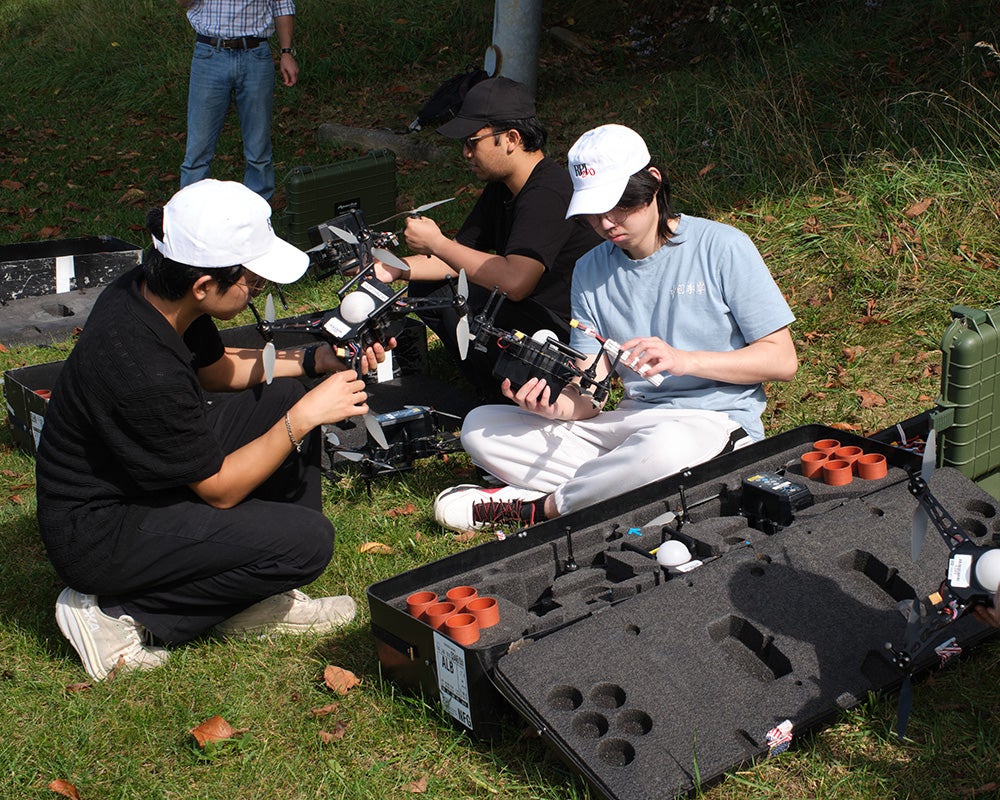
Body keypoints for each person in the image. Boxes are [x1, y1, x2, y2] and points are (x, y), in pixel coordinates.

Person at [35, 180, 388, 681]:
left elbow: (216, 369)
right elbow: (220, 490)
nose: (257, 291)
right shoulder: (141, 366)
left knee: (285, 396)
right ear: (203, 285)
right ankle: (119, 615)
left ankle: (249, 590)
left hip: (136, 482)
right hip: (99, 533)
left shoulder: (154, 295)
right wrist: (306, 416)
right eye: (252, 282)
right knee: (308, 542)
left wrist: (314, 360)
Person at [433, 124, 799, 532]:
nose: (607, 223)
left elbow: (782, 359)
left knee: (666, 449)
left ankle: (541, 509)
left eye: (618, 205)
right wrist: (555, 406)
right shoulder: (590, 268)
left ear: (653, 183)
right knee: (481, 427)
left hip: (713, 426)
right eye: (593, 212)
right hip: (630, 426)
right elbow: (590, 393)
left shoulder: (722, 246)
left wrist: (684, 361)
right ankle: (620, 485)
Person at [371, 77, 601, 402]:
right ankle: (487, 382)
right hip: (524, 310)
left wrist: (438, 242)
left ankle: (502, 391)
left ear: (511, 138)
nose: (466, 153)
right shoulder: (502, 188)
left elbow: (516, 281)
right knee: (429, 289)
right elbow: (456, 258)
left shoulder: (547, 193)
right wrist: (390, 267)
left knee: (456, 299)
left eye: (472, 141)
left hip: (562, 336)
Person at [177, 0, 299, 200]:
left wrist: (286, 53)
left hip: (256, 56)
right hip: (210, 54)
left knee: (258, 151)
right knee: (197, 152)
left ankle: (257, 219)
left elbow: (283, 6)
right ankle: (190, 218)